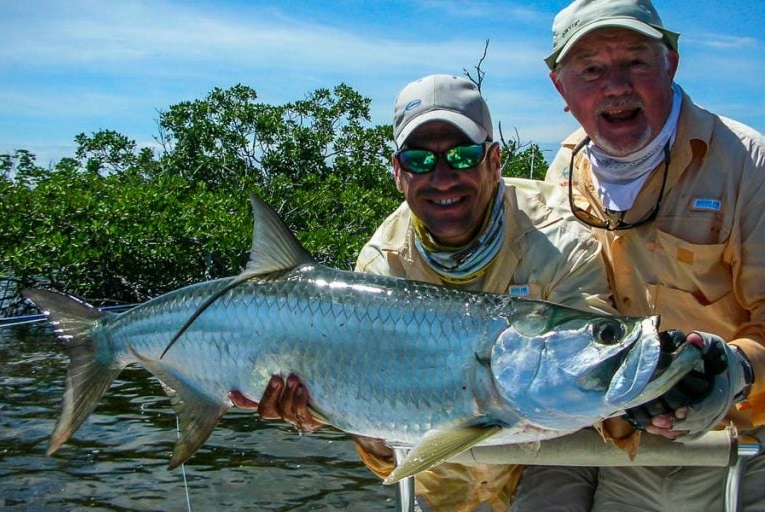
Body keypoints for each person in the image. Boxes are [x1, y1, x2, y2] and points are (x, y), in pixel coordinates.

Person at [234, 73, 617, 511]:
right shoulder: (382, 265)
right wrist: (322, 410)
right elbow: (381, 441)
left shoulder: (563, 243)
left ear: (494, 161)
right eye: (419, 161)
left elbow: (588, 374)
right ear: (398, 173)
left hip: (546, 469)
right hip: (440, 483)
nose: (442, 177)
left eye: (462, 155)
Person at [524, 0, 765, 510]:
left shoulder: (749, 161)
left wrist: (732, 371)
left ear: (671, 63)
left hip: (743, 445)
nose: (615, 86)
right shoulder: (563, 172)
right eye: (590, 69)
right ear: (560, 88)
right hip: (624, 448)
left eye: (635, 60)